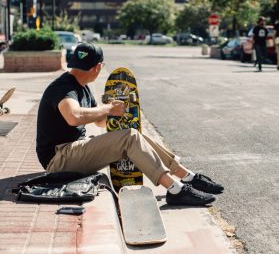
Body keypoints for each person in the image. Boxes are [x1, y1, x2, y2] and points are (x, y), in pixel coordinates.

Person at [36, 42, 224, 206]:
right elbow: (74, 117)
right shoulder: (63, 88)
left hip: (71, 152)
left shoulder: (81, 87)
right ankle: (176, 191)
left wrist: (119, 109)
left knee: (133, 132)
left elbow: (100, 122)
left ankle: (187, 177)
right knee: (129, 137)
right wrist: (108, 108)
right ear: (98, 67)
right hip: (58, 159)